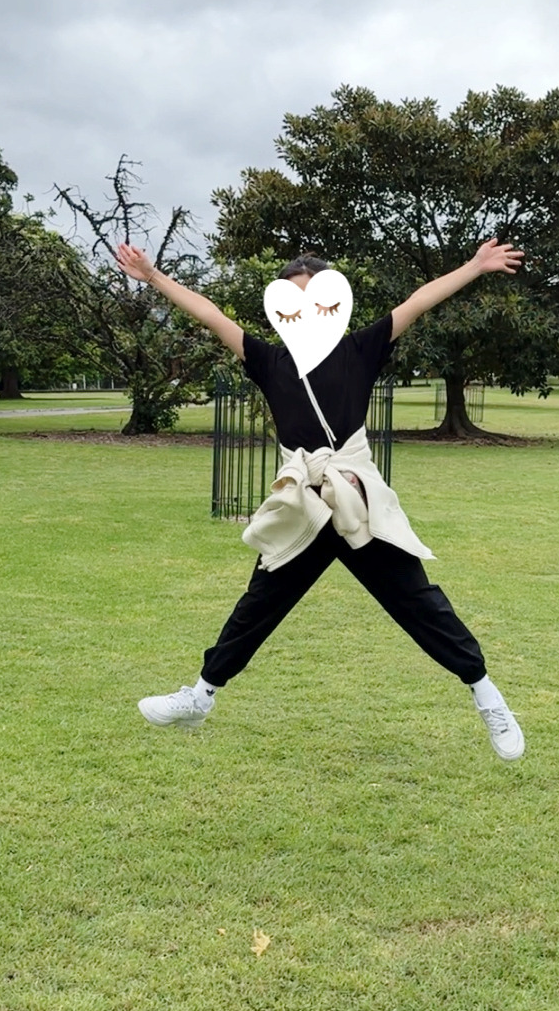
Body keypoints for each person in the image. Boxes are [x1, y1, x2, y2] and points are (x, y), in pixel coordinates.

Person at [115, 239, 527, 760]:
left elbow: (419, 301)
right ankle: (200, 697)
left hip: (354, 503)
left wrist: (474, 266)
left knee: (419, 603)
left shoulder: (359, 350)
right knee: (259, 605)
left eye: (315, 299)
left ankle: (487, 696)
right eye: (294, 301)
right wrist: (153, 277)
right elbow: (211, 315)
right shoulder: (269, 361)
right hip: (303, 509)